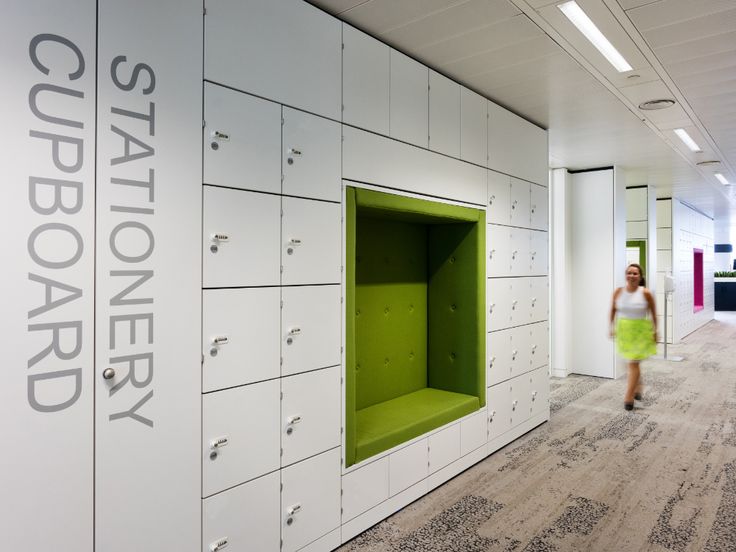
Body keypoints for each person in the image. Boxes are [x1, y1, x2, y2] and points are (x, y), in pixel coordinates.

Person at [609, 263, 657, 410]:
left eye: (635, 273)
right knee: (629, 362)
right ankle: (638, 385)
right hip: (624, 330)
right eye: (629, 273)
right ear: (626, 275)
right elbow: (613, 310)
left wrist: (655, 331)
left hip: (641, 331)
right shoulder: (618, 292)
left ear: (640, 276)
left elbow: (653, 313)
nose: (632, 276)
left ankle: (628, 398)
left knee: (633, 363)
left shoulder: (646, 293)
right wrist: (611, 326)